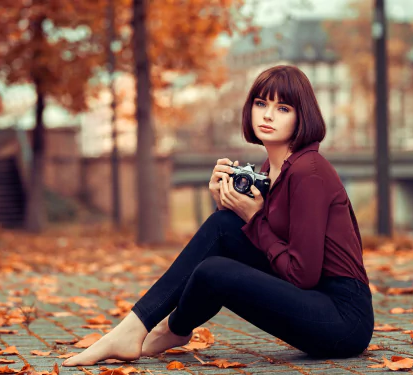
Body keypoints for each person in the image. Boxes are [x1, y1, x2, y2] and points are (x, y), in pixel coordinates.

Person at [63, 65, 373, 367]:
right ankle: (142, 329)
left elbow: (302, 274)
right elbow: (244, 239)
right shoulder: (268, 170)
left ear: (301, 116)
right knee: (223, 225)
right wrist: (227, 204)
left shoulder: (309, 172)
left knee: (215, 271)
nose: (267, 114)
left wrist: (254, 219)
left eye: (283, 108)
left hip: (343, 319)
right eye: (261, 103)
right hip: (313, 298)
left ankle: (162, 330)